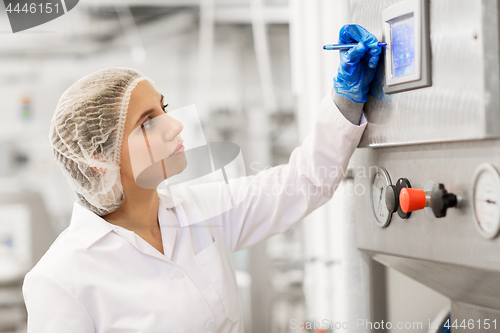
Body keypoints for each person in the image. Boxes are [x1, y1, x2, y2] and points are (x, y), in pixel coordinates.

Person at [22, 24, 381, 332]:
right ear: (99, 159)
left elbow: (303, 182)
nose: (175, 125)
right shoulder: (60, 279)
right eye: (147, 122)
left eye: (163, 108)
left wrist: (345, 97)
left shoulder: (199, 210)